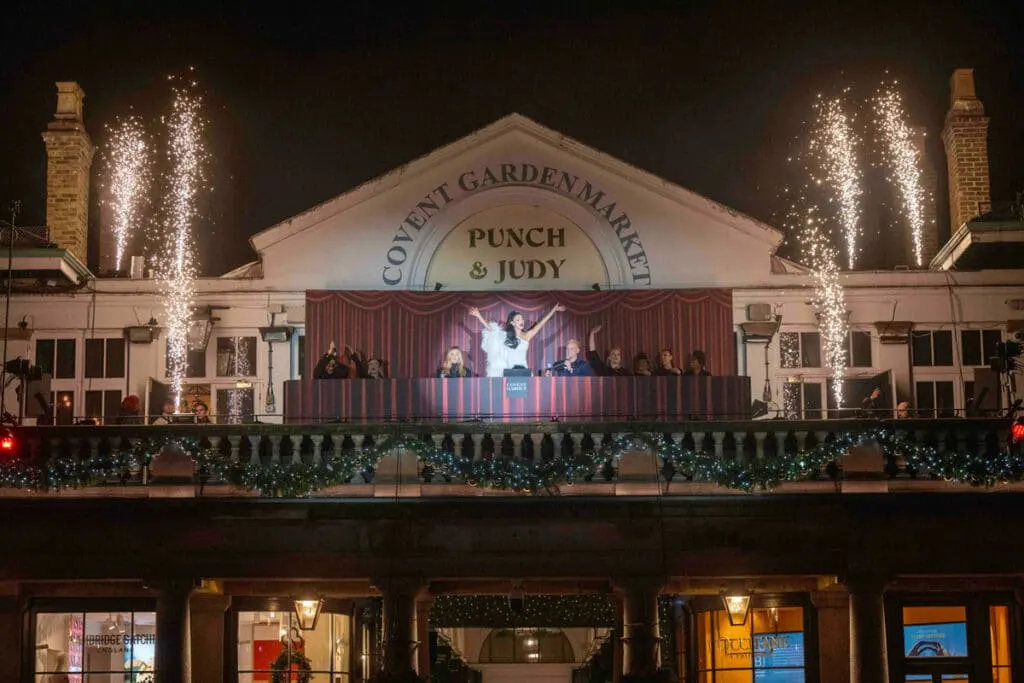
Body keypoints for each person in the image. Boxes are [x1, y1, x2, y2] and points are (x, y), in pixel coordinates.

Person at [468, 303, 565, 377]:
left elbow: (541, 324)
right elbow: (491, 329)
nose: (521, 321)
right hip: (509, 372)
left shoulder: (526, 335)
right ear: (512, 322)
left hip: (524, 371)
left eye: (522, 319)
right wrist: (478, 315)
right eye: (518, 319)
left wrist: (554, 310)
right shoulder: (506, 335)